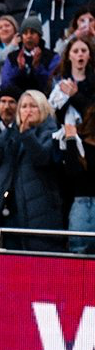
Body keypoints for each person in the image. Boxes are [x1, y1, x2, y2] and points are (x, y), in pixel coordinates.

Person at [0, 90, 61, 251]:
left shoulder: (51, 132)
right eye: (23, 106)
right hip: (5, 209)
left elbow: (42, 158)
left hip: (37, 212)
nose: (27, 110)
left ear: (43, 109)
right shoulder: (11, 132)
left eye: (33, 106)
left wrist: (27, 134)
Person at [59, 104, 95, 254]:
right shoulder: (80, 142)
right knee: (79, 257)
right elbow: (72, 171)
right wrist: (71, 140)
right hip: (82, 205)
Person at [0, 17, 59, 96]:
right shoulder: (12, 57)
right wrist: (19, 70)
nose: (29, 36)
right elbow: (6, 84)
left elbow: (52, 85)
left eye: (33, 32)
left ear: (39, 35)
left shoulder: (52, 57)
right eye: (25, 33)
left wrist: (37, 67)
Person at [48, 39, 95, 125]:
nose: (80, 54)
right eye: (75, 51)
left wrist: (75, 95)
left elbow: (91, 111)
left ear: (89, 55)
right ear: (69, 56)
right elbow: (53, 113)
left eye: (84, 51)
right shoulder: (58, 81)